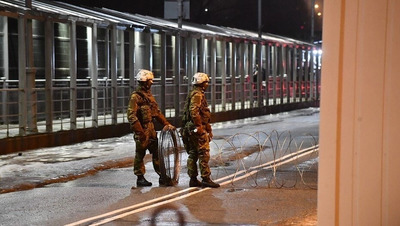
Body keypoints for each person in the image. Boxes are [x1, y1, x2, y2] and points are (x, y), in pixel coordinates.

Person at [127, 69, 175, 187]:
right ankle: (140, 178)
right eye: (150, 80)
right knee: (140, 154)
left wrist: (166, 124)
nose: (152, 82)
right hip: (142, 129)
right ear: (144, 81)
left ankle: (162, 176)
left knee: (157, 152)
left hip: (151, 129)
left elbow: (157, 113)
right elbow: (131, 115)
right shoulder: (136, 97)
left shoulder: (149, 96)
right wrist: (140, 132)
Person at [180, 72, 220, 188]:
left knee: (193, 153)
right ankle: (206, 178)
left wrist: (208, 129)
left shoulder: (194, 93)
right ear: (202, 83)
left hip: (191, 128)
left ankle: (193, 179)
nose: (207, 84)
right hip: (196, 129)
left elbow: (203, 114)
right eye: (206, 82)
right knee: (203, 153)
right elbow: (194, 111)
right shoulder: (198, 95)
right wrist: (199, 126)